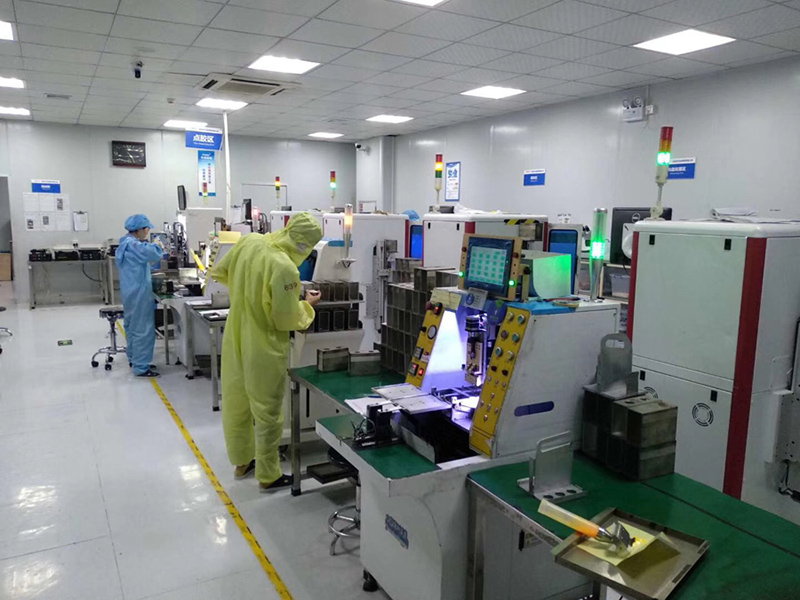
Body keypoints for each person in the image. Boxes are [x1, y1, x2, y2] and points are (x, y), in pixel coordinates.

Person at [211, 213, 322, 492]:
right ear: (304, 244)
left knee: (236, 402)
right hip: (263, 342)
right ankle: (268, 474)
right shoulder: (285, 268)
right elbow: (285, 318)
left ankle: (242, 461)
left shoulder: (249, 241)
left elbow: (222, 272)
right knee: (267, 411)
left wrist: (249, 292)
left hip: (235, 333)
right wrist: (307, 306)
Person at [117, 214, 163, 378]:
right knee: (143, 329)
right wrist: (157, 245)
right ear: (139, 229)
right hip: (139, 293)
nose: (148, 232)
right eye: (147, 229)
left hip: (130, 291)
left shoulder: (125, 243)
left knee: (132, 327)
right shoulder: (134, 245)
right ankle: (141, 366)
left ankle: (134, 359)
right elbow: (154, 254)